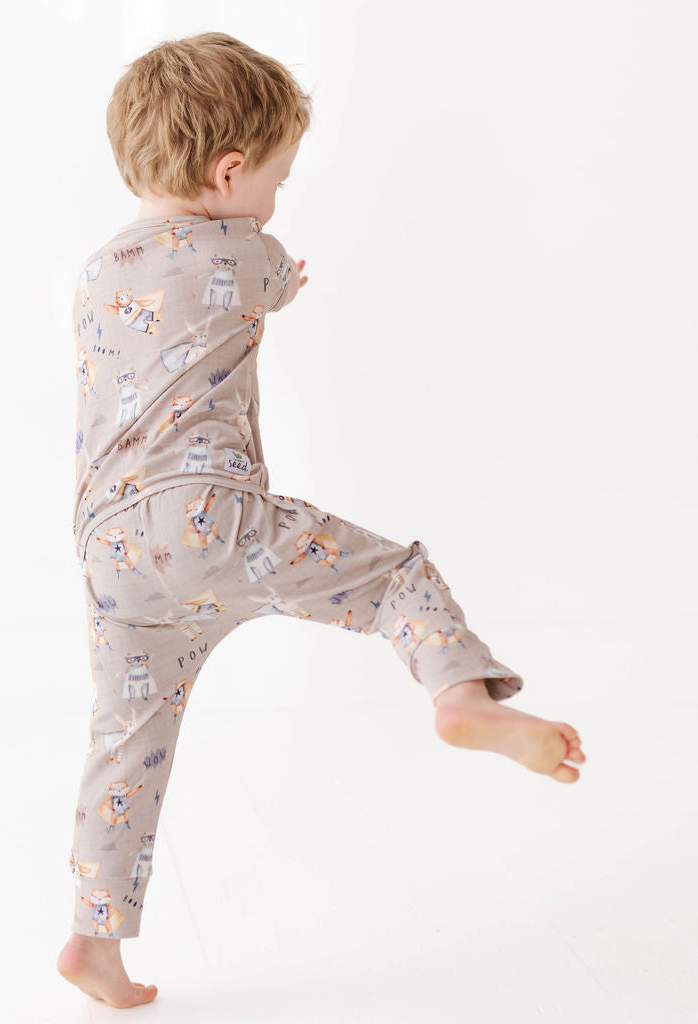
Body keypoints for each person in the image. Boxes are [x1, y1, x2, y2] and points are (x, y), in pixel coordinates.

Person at [57, 31, 585, 1009]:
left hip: (108, 549)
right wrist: (280, 276)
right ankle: (459, 693)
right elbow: (268, 281)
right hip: (206, 517)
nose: (275, 200)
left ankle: (94, 941)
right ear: (228, 174)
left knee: (124, 744)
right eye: (277, 179)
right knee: (391, 579)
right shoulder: (243, 248)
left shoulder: (94, 272)